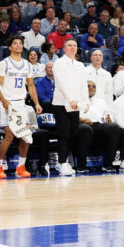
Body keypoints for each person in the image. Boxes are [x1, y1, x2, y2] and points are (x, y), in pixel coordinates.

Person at [0, 36, 46, 179]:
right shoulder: (4, 64)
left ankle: (20, 166)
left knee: (25, 136)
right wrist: (3, 100)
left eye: (21, 43)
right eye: (15, 43)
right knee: (9, 136)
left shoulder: (27, 64)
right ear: (9, 47)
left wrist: (37, 103)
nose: (18, 45)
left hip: (21, 103)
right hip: (7, 102)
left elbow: (31, 85)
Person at [52, 38, 90, 176]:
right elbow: (61, 83)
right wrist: (70, 99)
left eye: (75, 45)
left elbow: (83, 85)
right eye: (69, 45)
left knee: (73, 134)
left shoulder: (80, 65)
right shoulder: (59, 63)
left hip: (76, 105)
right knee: (64, 134)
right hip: (61, 103)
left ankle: (64, 162)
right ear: (64, 48)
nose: (73, 47)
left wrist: (86, 102)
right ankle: (62, 163)